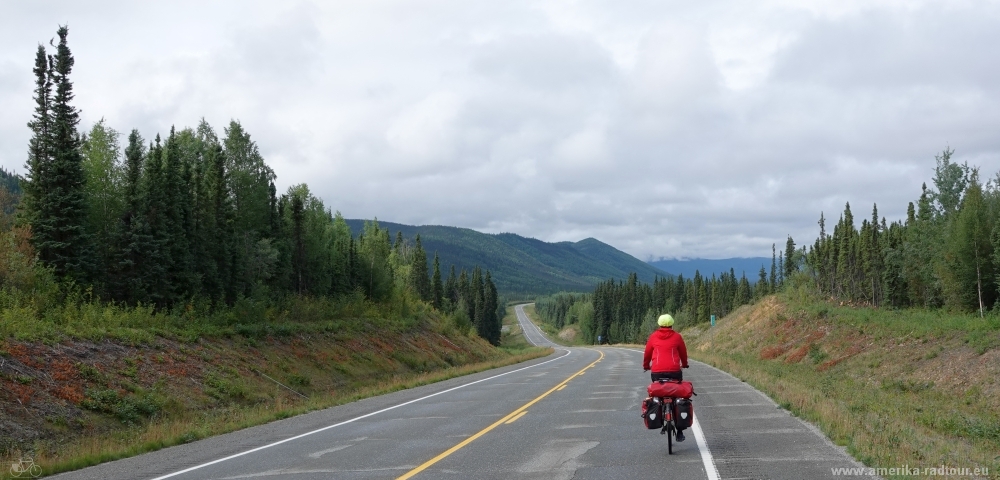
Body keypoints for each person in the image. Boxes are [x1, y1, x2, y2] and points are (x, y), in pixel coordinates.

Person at [643, 313, 689, 441]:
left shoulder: (653, 337)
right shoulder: (677, 337)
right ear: (672, 324)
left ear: (659, 324)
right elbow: (683, 353)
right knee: (676, 394)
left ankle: (661, 412)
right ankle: (680, 430)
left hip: (657, 372)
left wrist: (646, 366)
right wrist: (684, 364)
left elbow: (647, 353)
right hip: (674, 371)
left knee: (659, 392)